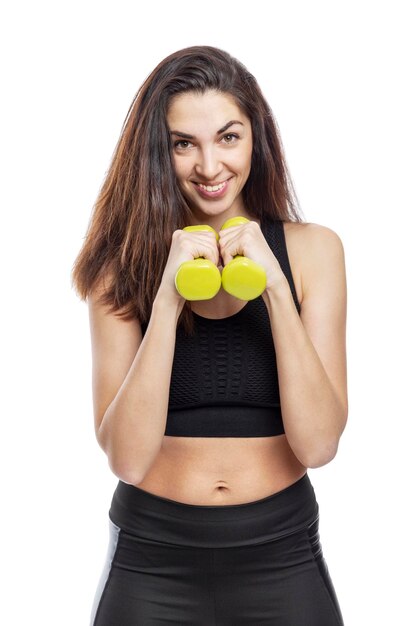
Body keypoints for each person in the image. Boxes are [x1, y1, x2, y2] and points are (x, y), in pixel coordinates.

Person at [71, 45, 347, 625]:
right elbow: (127, 457)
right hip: (152, 560)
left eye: (228, 137)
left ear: (256, 140)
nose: (209, 165)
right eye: (182, 144)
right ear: (158, 152)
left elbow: (319, 446)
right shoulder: (118, 270)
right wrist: (167, 299)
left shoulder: (314, 252)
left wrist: (274, 287)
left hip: (283, 555)